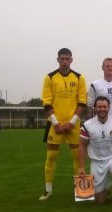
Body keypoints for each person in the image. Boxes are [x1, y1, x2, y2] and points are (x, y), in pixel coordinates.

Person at [39, 48, 87, 200]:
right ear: (58, 60)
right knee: (51, 155)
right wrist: (56, 123)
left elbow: (82, 102)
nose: (65, 61)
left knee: (76, 156)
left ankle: (80, 191)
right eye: (62, 59)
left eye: (67, 59)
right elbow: (46, 103)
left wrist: (72, 123)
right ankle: (48, 190)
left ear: (72, 60)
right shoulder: (50, 78)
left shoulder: (79, 78)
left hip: (73, 124)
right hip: (54, 124)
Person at [78, 96, 112, 206]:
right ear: (95, 108)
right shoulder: (87, 125)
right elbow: (82, 145)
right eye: (99, 107)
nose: (102, 109)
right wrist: (81, 166)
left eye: (104, 106)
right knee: (100, 202)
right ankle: (106, 187)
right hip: (97, 162)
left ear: (109, 107)